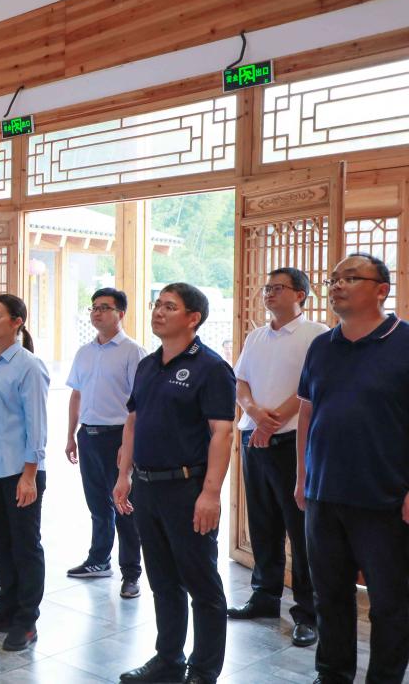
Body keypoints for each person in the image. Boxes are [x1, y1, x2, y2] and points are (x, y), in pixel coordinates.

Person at [296, 253, 409, 684]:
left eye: (349, 278)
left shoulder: (404, 341)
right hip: (324, 494)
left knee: (390, 602)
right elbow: (307, 413)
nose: (337, 285)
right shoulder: (321, 346)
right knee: (329, 595)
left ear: (381, 290)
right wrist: (302, 477)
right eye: (333, 279)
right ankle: (332, 673)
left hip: (385, 498)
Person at [115, 283, 235, 684]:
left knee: (201, 583)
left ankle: (203, 670)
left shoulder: (211, 368)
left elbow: (222, 433)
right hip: (147, 487)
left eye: (170, 306)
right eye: (157, 304)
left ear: (193, 318)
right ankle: (168, 659)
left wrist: (211, 493)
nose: (158, 311)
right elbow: (133, 422)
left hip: (187, 489)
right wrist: (124, 474)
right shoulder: (148, 365)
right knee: (163, 580)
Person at [226, 267, 326, 648]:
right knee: (262, 522)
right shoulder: (256, 335)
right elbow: (240, 382)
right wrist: (253, 412)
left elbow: (312, 388)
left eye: (278, 288)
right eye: (266, 287)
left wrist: (273, 421)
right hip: (254, 438)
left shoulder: (316, 334)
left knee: (300, 530)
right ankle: (264, 597)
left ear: (300, 294)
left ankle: (307, 613)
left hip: (291, 442)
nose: (268, 293)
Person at [0, 294, 49, 652]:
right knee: (1, 543)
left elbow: (37, 426)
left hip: (20, 472)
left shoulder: (28, 366)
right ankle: (6, 608)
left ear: (17, 322)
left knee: (25, 546)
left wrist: (30, 475)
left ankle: (26, 620)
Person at [64, 288, 145, 599]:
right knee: (97, 504)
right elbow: (76, 394)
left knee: (124, 507)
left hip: (118, 437)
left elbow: (140, 404)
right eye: (93, 308)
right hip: (88, 436)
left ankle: (131, 574)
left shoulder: (132, 351)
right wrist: (71, 434)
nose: (96, 313)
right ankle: (99, 560)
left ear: (120, 314)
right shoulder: (84, 352)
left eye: (104, 308)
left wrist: (129, 445)